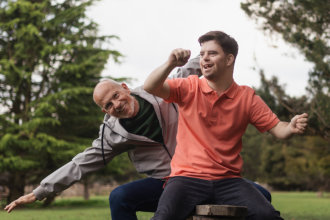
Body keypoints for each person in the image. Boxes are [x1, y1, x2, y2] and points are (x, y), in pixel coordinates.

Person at [4, 57, 271, 220]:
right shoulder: (113, 133)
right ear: (104, 112)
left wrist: (205, 49)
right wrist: (41, 191)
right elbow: (81, 163)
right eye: (108, 106)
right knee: (119, 197)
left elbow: (190, 67)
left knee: (263, 196)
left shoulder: (161, 91)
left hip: (205, 174)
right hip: (167, 183)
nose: (116, 105)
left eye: (116, 96)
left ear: (124, 88)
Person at [143, 31, 308, 220]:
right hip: (187, 178)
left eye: (212, 53)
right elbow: (150, 87)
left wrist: (291, 127)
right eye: (202, 53)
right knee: (163, 218)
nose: (204, 58)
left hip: (229, 181)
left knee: (268, 216)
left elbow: (279, 129)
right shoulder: (189, 87)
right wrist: (170, 63)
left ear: (229, 59)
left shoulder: (247, 97)